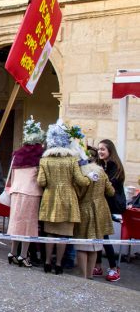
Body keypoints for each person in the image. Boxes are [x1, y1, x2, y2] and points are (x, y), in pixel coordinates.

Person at [37, 121, 93, 274]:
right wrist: (89, 179)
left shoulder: (44, 160)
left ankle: (47, 262)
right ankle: (59, 264)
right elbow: (80, 180)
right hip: (68, 200)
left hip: (50, 199)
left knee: (50, 233)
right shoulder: (72, 160)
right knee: (63, 235)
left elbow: (41, 182)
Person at [6, 117, 45, 267]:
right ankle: (23, 255)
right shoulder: (40, 155)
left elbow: (12, 175)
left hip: (16, 191)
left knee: (16, 223)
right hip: (31, 192)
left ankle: (12, 252)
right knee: (28, 226)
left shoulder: (17, 154)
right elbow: (41, 177)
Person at [74, 145, 114, 279]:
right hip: (101, 209)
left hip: (84, 209)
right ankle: (90, 275)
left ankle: (83, 276)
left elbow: (78, 193)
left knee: (82, 245)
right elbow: (111, 191)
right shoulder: (101, 171)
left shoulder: (81, 172)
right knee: (95, 246)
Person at [94, 138, 126, 282]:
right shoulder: (103, 165)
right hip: (103, 204)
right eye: (99, 149)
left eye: (103, 149)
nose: (100, 151)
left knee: (103, 235)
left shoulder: (115, 166)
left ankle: (114, 268)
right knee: (99, 235)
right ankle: (98, 266)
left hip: (112, 205)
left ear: (110, 150)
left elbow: (108, 186)